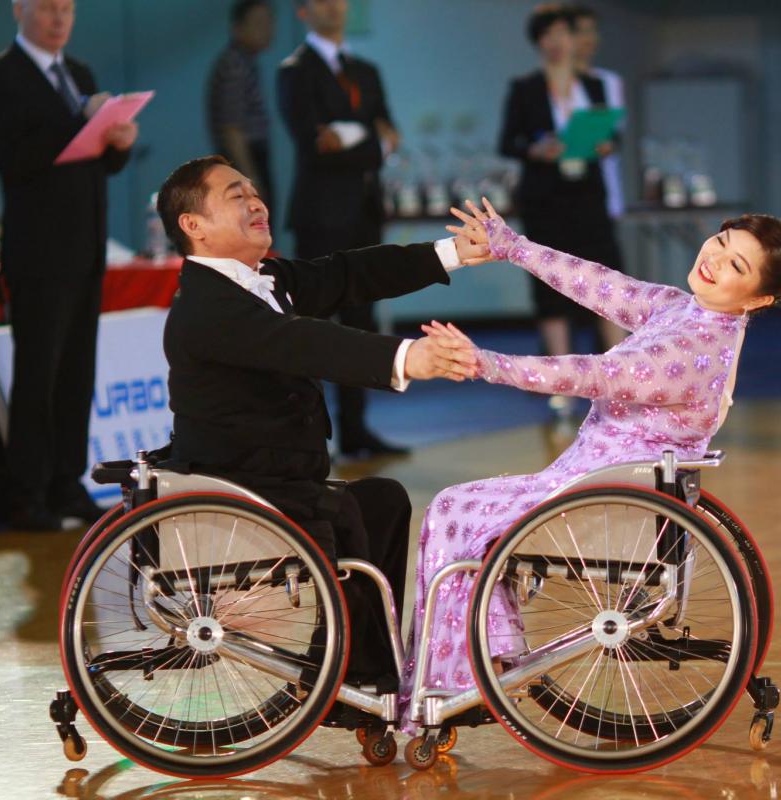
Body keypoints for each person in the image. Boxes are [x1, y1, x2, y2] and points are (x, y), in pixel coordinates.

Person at [401, 198, 781, 702]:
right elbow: (600, 284)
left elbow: (592, 375)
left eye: (737, 266)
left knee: (452, 510)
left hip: (601, 501)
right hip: (595, 487)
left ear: (758, 300)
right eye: (721, 244)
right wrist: (514, 248)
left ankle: (456, 683)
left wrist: (486, 364)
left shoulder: (697, 349)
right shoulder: (686, 310)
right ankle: (485, 661)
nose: (715, 261)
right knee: (463, 511)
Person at [156, 155, 487, 686]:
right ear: (192, 225)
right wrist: (406, 356)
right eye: (235, 195)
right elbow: (305, 343)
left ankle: (361, 668)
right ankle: (360, 677)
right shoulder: (206, 307)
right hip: (238, 489)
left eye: (255, 190)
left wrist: (452, 252)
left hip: (282, 480)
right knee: (341, 512)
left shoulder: (262, 280)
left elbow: (348, 273)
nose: (257, 202)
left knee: (381, 500)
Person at [0, 0, 138, 531]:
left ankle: (67, 483)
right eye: (46, 7)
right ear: (19, 9)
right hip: (39, 252)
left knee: (76, 375)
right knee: (38, 376)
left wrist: (118, 143)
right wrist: (81, 122)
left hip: (85, 245)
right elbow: (15, 159)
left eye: (66, 8)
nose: (59, 18)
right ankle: (28, 493)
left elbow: (97, 160)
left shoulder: (78, 73)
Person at [277, 0, 405, 458]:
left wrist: (353, 139)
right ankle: (309, 434)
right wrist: (368, 142)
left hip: (364, 210)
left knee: (361, 321)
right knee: (313, 323)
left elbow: (390, 135)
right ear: (302, 12)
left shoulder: (365, 69)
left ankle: (357, 428)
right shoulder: (296, 70)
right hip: (321, 212)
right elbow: (314, 144)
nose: (333, 7)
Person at [498, 5, 626, 425]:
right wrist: (535, 149)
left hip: (588, 195)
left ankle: (621, 379)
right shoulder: (525, 87)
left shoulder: (594, 84)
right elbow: (508, 141)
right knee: (551, 287)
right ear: (539, 43)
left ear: (576, 39)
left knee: (606, 285)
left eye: (564, 34)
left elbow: (614, 134)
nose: (557, 43)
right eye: (548, 35)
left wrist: (606, 143)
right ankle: (560, 388)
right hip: (545, 199)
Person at [206, 0, 276, 216]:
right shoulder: (234, 65)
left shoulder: (246, 62)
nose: (266, 29)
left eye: (269, 22)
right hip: (242, 161)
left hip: (251, 157)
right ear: (237, 28)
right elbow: (231, 129)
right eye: (258, 22)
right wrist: (249, 179)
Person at [570, 4, 625, 219]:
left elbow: (616, 132)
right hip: (563, 190)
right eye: (579, 31)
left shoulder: (609, 81)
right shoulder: (546, 84)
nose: (588, 38)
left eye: (592, 30)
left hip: (601, 181)